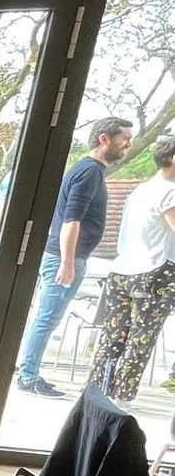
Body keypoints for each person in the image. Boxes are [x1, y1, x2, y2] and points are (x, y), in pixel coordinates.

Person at [16, 116, 134, 397]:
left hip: (65, 256)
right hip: (64, 258)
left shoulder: (88, 169)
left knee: (45, 318)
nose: (128, 144)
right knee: (47, 319)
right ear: (104, 139)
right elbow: (72, 220)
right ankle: (28, 377)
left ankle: (27, 371)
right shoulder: (89, 172)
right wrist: (67, 262)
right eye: (124, 138)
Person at [89, 139, 175, 401]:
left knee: (112, 336)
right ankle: (121, 400)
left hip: (122, 270)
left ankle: (95, 394)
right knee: (140, 340)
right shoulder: (170, 192)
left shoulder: (142, 190)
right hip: (154, 273)